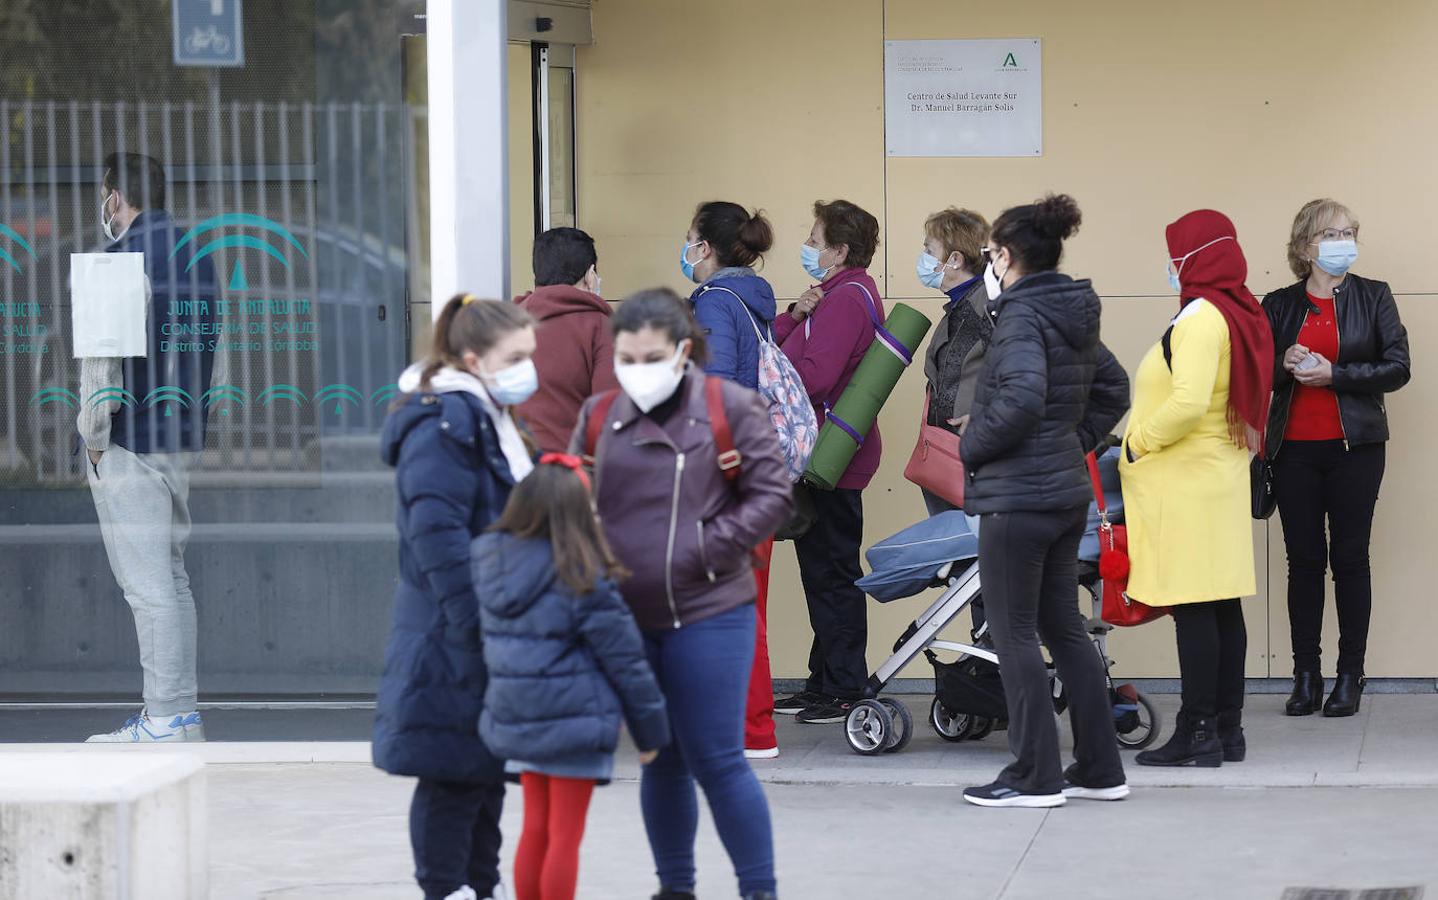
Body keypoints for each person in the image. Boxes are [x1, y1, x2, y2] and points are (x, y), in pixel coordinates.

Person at [571, 289, 791, 900]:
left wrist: (704, 545)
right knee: (659, 758)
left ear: (684, 352)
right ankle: (676, 888)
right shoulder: (598, 416)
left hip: (711, 612)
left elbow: (771, 497)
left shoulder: (731, 408)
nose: (637, 371)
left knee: (718, 759)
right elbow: (576, 503)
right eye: (626, 358)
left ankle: (758, 890)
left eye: (651, 357)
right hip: (629, 616)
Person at [958, 194, 1131, 808]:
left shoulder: (1022, 317)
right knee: (1065, 629)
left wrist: (972, 444)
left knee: (1015, 634)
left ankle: (1035, 775)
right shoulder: (1071, 312)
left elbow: (1024, 396)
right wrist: (1072, 441)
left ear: (1004, 255)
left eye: (991, 254)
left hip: (1019, 499)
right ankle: (1100, 769)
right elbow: (1115, 388)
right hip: (1061, 493)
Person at [374, 294, 539, 900]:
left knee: (482, 772)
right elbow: (435, 534)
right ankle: (446, 889)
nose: (529, 368)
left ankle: (480, 885)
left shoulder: (488, 415)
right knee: (453, 776)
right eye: (516, 356)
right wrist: (477, 621)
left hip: (487, 627)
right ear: (473, 358)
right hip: (455, 633)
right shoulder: (444, 422)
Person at [474, 455, 671, 900]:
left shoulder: (491, 561)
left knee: (535, 828)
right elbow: (626, 661)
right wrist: (650, 734)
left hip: (517, 717)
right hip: (574, 721)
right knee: (565, 836)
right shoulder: (583, 572)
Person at [1124, 210, 1274, 769]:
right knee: (1219, 606)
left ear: (1194, 257)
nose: (1171, 266)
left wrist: (1138, 441)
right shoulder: (1241, 311)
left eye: (1176, 255)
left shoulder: (1200, 317)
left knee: (1194, 610)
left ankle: (1198, 732)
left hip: (1186, 482)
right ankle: (1227, 731)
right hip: (1219, 477)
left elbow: (1186, 403)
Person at [81, 152, 218, 743]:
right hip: (178, 436)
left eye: (104, 197)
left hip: (130, 440)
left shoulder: (114, 263)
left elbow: (101, 374)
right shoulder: (201, 257)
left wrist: (92, 441)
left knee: (148, 586)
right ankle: (180, 715)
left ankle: (163, 719)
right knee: (172, 577)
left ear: (115, 198)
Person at [1262, 199, 1410, 718]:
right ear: (1305, 246)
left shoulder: (1374, 297)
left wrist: (1336, 375)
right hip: (1294, 451)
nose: (1342, 241)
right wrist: (1283, 363)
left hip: (1357, 449)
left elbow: (1397, 367)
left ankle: (1351, 675)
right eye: (1330, 234)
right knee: (1303, 562)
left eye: (1348, 232)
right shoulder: (1279, 304)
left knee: (1350, 559)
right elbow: (1255, 376)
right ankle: (1306, 675)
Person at [771, 199, 884, 726]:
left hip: (832, 456)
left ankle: (842, 686)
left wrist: (774, 368)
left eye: (816, 240)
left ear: (840, 250)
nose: (809, 248)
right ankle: (824, 679)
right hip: (824, 451)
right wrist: (795, 317)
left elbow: (810, 377)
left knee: (832, 571)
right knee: (821, 569)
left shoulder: (847, 300)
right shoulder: (836, 294)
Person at [681, 200, 782, 760]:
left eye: (689, 236)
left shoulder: (717, 304)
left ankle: (749, 732)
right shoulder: (750, 302)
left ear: (706, 247)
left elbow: (713, 395)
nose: (685, 246)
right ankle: (749, 729)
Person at [917, 206, 992, 516]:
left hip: (977, 460)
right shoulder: (963, 304)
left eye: (929, 249)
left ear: (955, 259)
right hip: (949, 455)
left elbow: (1032, 366)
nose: (923, 257)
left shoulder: (989, 303)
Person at [514, 227, 617, 453]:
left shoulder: (507, 323)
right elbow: (608, 410)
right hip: (571, 472)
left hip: (514, 466)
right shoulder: (600, 326)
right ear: (591, 276)